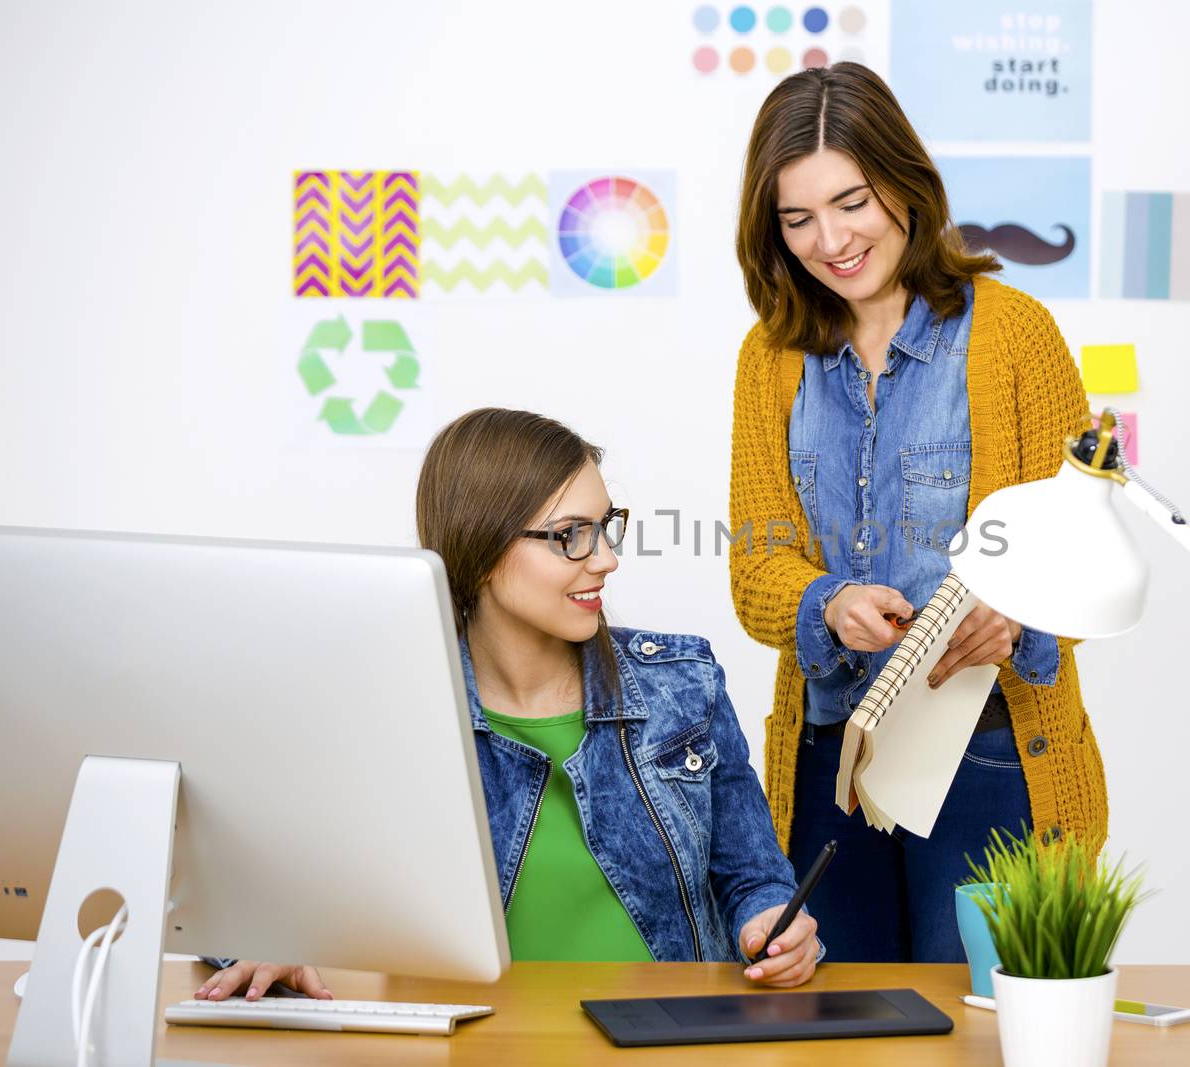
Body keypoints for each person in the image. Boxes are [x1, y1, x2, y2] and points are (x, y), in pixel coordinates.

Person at [197, 409, 820, 1001]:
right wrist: (265, 940)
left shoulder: (683, 685)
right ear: (484, 546)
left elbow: (754, 881)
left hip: (664, 1042)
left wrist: (774, 925)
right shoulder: (392, 709)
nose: (607, 559)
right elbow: (247, 888)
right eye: (571, 536)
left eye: (606, 527)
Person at [728, 62, 1109, 962]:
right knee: (841, 1035)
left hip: (991, 759)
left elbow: (1088, 546)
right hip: (833, 764)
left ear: (904, 185)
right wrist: (826, 601)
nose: (831, 239)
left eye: (851, 201)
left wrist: (1017, 615)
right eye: (797, 218)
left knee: (985, 1027)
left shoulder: (1014, 335)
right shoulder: (769, 356)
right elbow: (756, 564)